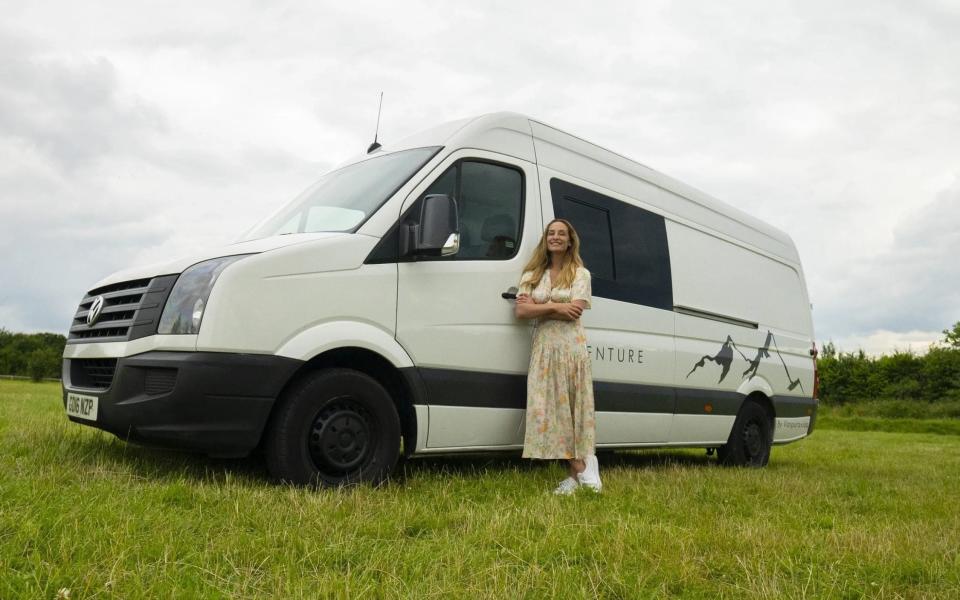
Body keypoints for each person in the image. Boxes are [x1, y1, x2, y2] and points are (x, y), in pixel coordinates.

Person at [515, 218, 601, 494]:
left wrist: (540, 306)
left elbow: (574, 311)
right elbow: (521, 312)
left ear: (569, 240)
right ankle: (580, 469)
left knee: (574, 410)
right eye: (551, 233)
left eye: (561, 234)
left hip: (570, 350)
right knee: (550, 410)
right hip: (544, 350)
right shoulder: (533, 273)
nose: (555, 237)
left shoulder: (580, 273)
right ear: (546, 239)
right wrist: (556, 307)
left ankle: (581, 470)